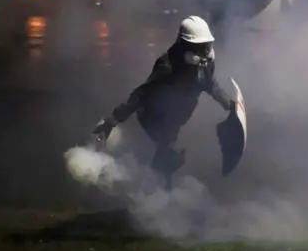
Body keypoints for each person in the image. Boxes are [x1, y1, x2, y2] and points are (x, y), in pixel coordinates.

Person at [92, 15, 234, 189]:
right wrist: (112, 121)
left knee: (166, 155)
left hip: (177, 117)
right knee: (168, 156)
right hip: (154, 117)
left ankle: (158, 184)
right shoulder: (167, 66)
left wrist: (227, 103)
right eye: (199, 48)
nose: (205, 53)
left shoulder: (204, 65)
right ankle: (151, 190)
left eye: (206, 47)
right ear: (185, 47)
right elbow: (141, 94)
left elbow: (210, 84)